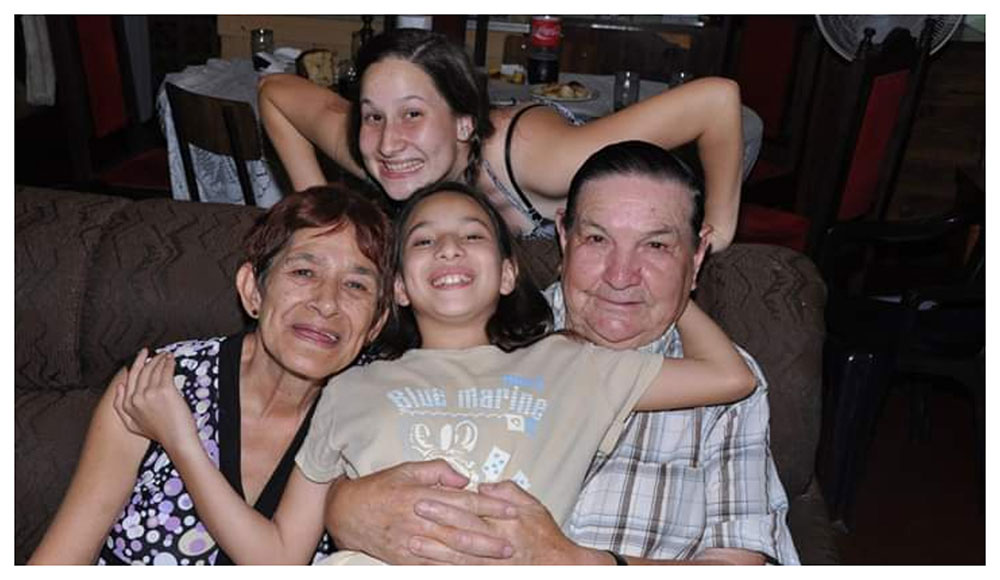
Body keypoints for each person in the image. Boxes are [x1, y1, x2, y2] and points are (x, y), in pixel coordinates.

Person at [111, 182, 754, 564]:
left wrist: (667, 276)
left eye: (472, 236)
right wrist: (183, 442)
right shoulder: (350, 383)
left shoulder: (574, 363)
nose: (447, 248)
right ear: (398, 288)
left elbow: (730, 376)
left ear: (508, 273)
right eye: (423, 240)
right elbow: (278, 558)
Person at [322, 141, 800, 565]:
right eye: (597, 239)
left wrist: (574, 561)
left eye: (656, 246)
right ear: (564, 238)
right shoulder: (480, 318)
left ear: (696, 256)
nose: (621, 275)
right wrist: (341, 506)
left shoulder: (725, 384)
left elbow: (737, 565)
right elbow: (339, 427)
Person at [28, 186, 392, 565]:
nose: (327, 302)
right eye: (304, 272)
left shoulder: (372, 414)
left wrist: (180, 440)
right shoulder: (157, 386)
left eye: (356, 285)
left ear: (376, 323)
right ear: (252, 290)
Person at [259, 28, 743, 250]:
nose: (389, 141)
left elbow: (717, 102)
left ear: (463, 125)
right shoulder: (380, 153)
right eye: (374, 115)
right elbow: (275, 92)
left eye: (413, 113)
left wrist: (718, 233)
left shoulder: (544, 160)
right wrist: (324, 219)